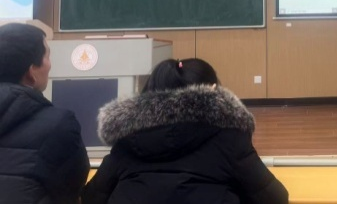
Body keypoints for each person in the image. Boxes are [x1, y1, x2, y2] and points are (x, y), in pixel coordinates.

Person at [82, 58, 288, 204]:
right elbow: (274, 198)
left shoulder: (127, 138)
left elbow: (92, 197)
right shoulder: (229, 138)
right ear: (213, 92)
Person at [0, 22, 89, 204]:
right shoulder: (59, 125)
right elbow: (72, 187)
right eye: (47, 56)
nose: (49, 64)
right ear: (31, 71)